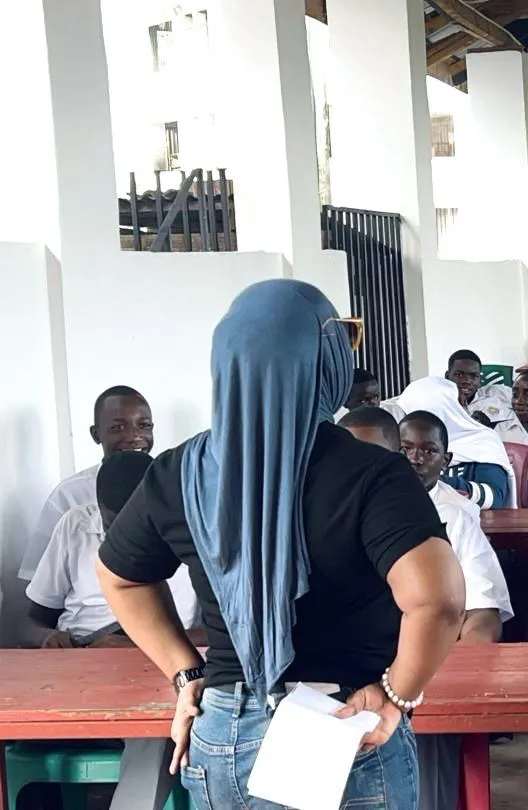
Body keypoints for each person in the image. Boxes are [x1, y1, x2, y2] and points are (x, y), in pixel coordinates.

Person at [96, 279, 466, 810]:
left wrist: (186, 671)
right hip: (342, 725)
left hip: (223, 728)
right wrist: (396, 694)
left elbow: (119, 575)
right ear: (324, 360)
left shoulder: (179, 471)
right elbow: (439, 600)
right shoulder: (373, 474)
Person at [26, 451, 199, 810]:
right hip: (79, 663)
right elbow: (31, 618)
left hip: (162, 666)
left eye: (134, 525)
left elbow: (219, 631)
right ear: (98, 506)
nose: (123, 539)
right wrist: (47, 640)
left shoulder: (195, 530)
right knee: (22, 730)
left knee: (154, 731)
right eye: (112, 524)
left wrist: (137, 643)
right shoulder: (75, 525)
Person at [397, 411, 513, 810]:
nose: (415, 459)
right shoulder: (352, 509)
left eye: (427, 451)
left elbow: (484, 613)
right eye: (405, 449)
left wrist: (448, 674)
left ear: (446, 460)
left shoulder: (456, 519)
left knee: (425, 721)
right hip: (359, 664)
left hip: (428, 670)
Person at [19, 385, 153, 580]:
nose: (134, 437)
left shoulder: (174, 485)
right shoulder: (69, 494)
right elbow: (35, 579)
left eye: (144, 425)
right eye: (118, 427)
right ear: (96, 434)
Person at [396, 375, 517, 508]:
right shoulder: (403, 445)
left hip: (469, 521)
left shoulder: (482, 441)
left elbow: (494, 497)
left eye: (409, 412)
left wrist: (437, 483)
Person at [444, 349, 513, 426]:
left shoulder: (498, 393)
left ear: (480, 379)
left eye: (473, 376)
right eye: (459, 374)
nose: (467, 381)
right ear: (447, 376)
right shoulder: (439, 403)